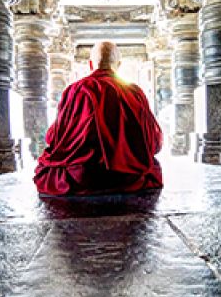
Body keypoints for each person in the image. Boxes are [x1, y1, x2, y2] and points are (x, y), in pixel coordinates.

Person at [34, 41, 164, 195]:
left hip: (82, 177)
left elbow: (55, 138)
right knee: (151, 166)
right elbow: (153, 141)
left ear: (90, 64)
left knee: (47, 171)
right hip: (128, 177)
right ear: (119, 65)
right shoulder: (134, 92)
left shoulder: (75, 90)